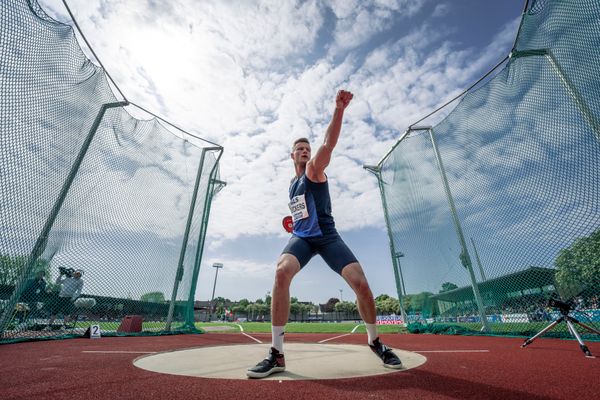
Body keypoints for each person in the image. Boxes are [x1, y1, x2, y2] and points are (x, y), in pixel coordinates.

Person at [247, 90, 402, 379]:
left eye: (308, 148)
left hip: (328, 237)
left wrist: (339, 109)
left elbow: (329, 144)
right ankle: (276, 353)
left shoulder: (314, 170)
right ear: (292, 155)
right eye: (300, 149)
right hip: (304, 238)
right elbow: (302, 214)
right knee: (281, 272)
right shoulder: (292, 184)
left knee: (362, 285)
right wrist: (294, 224)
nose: (305, 151)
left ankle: (375, 342)